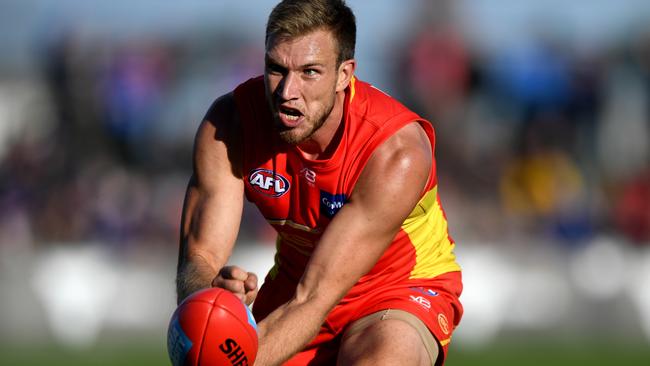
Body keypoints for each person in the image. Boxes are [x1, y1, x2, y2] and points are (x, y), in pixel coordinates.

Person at [175, 0, 463, 365]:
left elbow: (315, 301)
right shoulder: (230, 125)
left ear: (345, 75)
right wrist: (211, 297)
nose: (287, 92)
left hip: (395, 289)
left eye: (310, 72)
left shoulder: (395, 151)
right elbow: (199, 257)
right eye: (276, 69)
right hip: (298, 282)